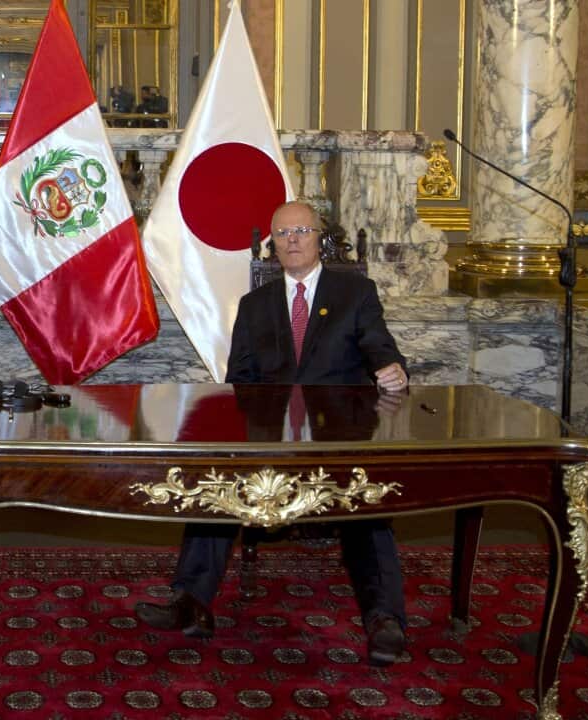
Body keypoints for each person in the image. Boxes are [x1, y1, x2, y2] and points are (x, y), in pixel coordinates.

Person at [134, 200, 410, 666]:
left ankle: (385, 620)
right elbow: (240, 377)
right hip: (269, 437)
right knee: (214, 486)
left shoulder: (355, 292)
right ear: (274, 246)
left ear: (319, 238)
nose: (293, 240)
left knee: (368, 505)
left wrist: (393, 369)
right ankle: (191, 603)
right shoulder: (254, 304)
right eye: (283, 235)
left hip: (338, 437)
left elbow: (379, 346)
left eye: (302, 231)